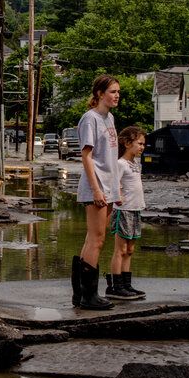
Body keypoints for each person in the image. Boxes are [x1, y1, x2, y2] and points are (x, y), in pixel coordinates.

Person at [69, 74, 120, 311]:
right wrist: (97, 189)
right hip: (95, 187)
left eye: (118, 92)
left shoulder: (109, 118)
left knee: (93, 238)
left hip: (108, 187)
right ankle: (90, 296)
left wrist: (115, 189)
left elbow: (110, 158)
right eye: (112, 91)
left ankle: (80, 293)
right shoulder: (90, 119)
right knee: (97, 240)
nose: (116, 95)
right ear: (100, 94)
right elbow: (87, 156)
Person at [106, 126, 146, 301]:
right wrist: (118, 195)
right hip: (123, 211)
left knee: (130, 249)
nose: (142, 147)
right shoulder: (120, 163)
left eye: (143, 144)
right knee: (120, 249)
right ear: (127, 143)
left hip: (136, 209)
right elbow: (113, 182)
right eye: (139, 143)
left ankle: (126, 284)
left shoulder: (136, 164)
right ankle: (116, 286)